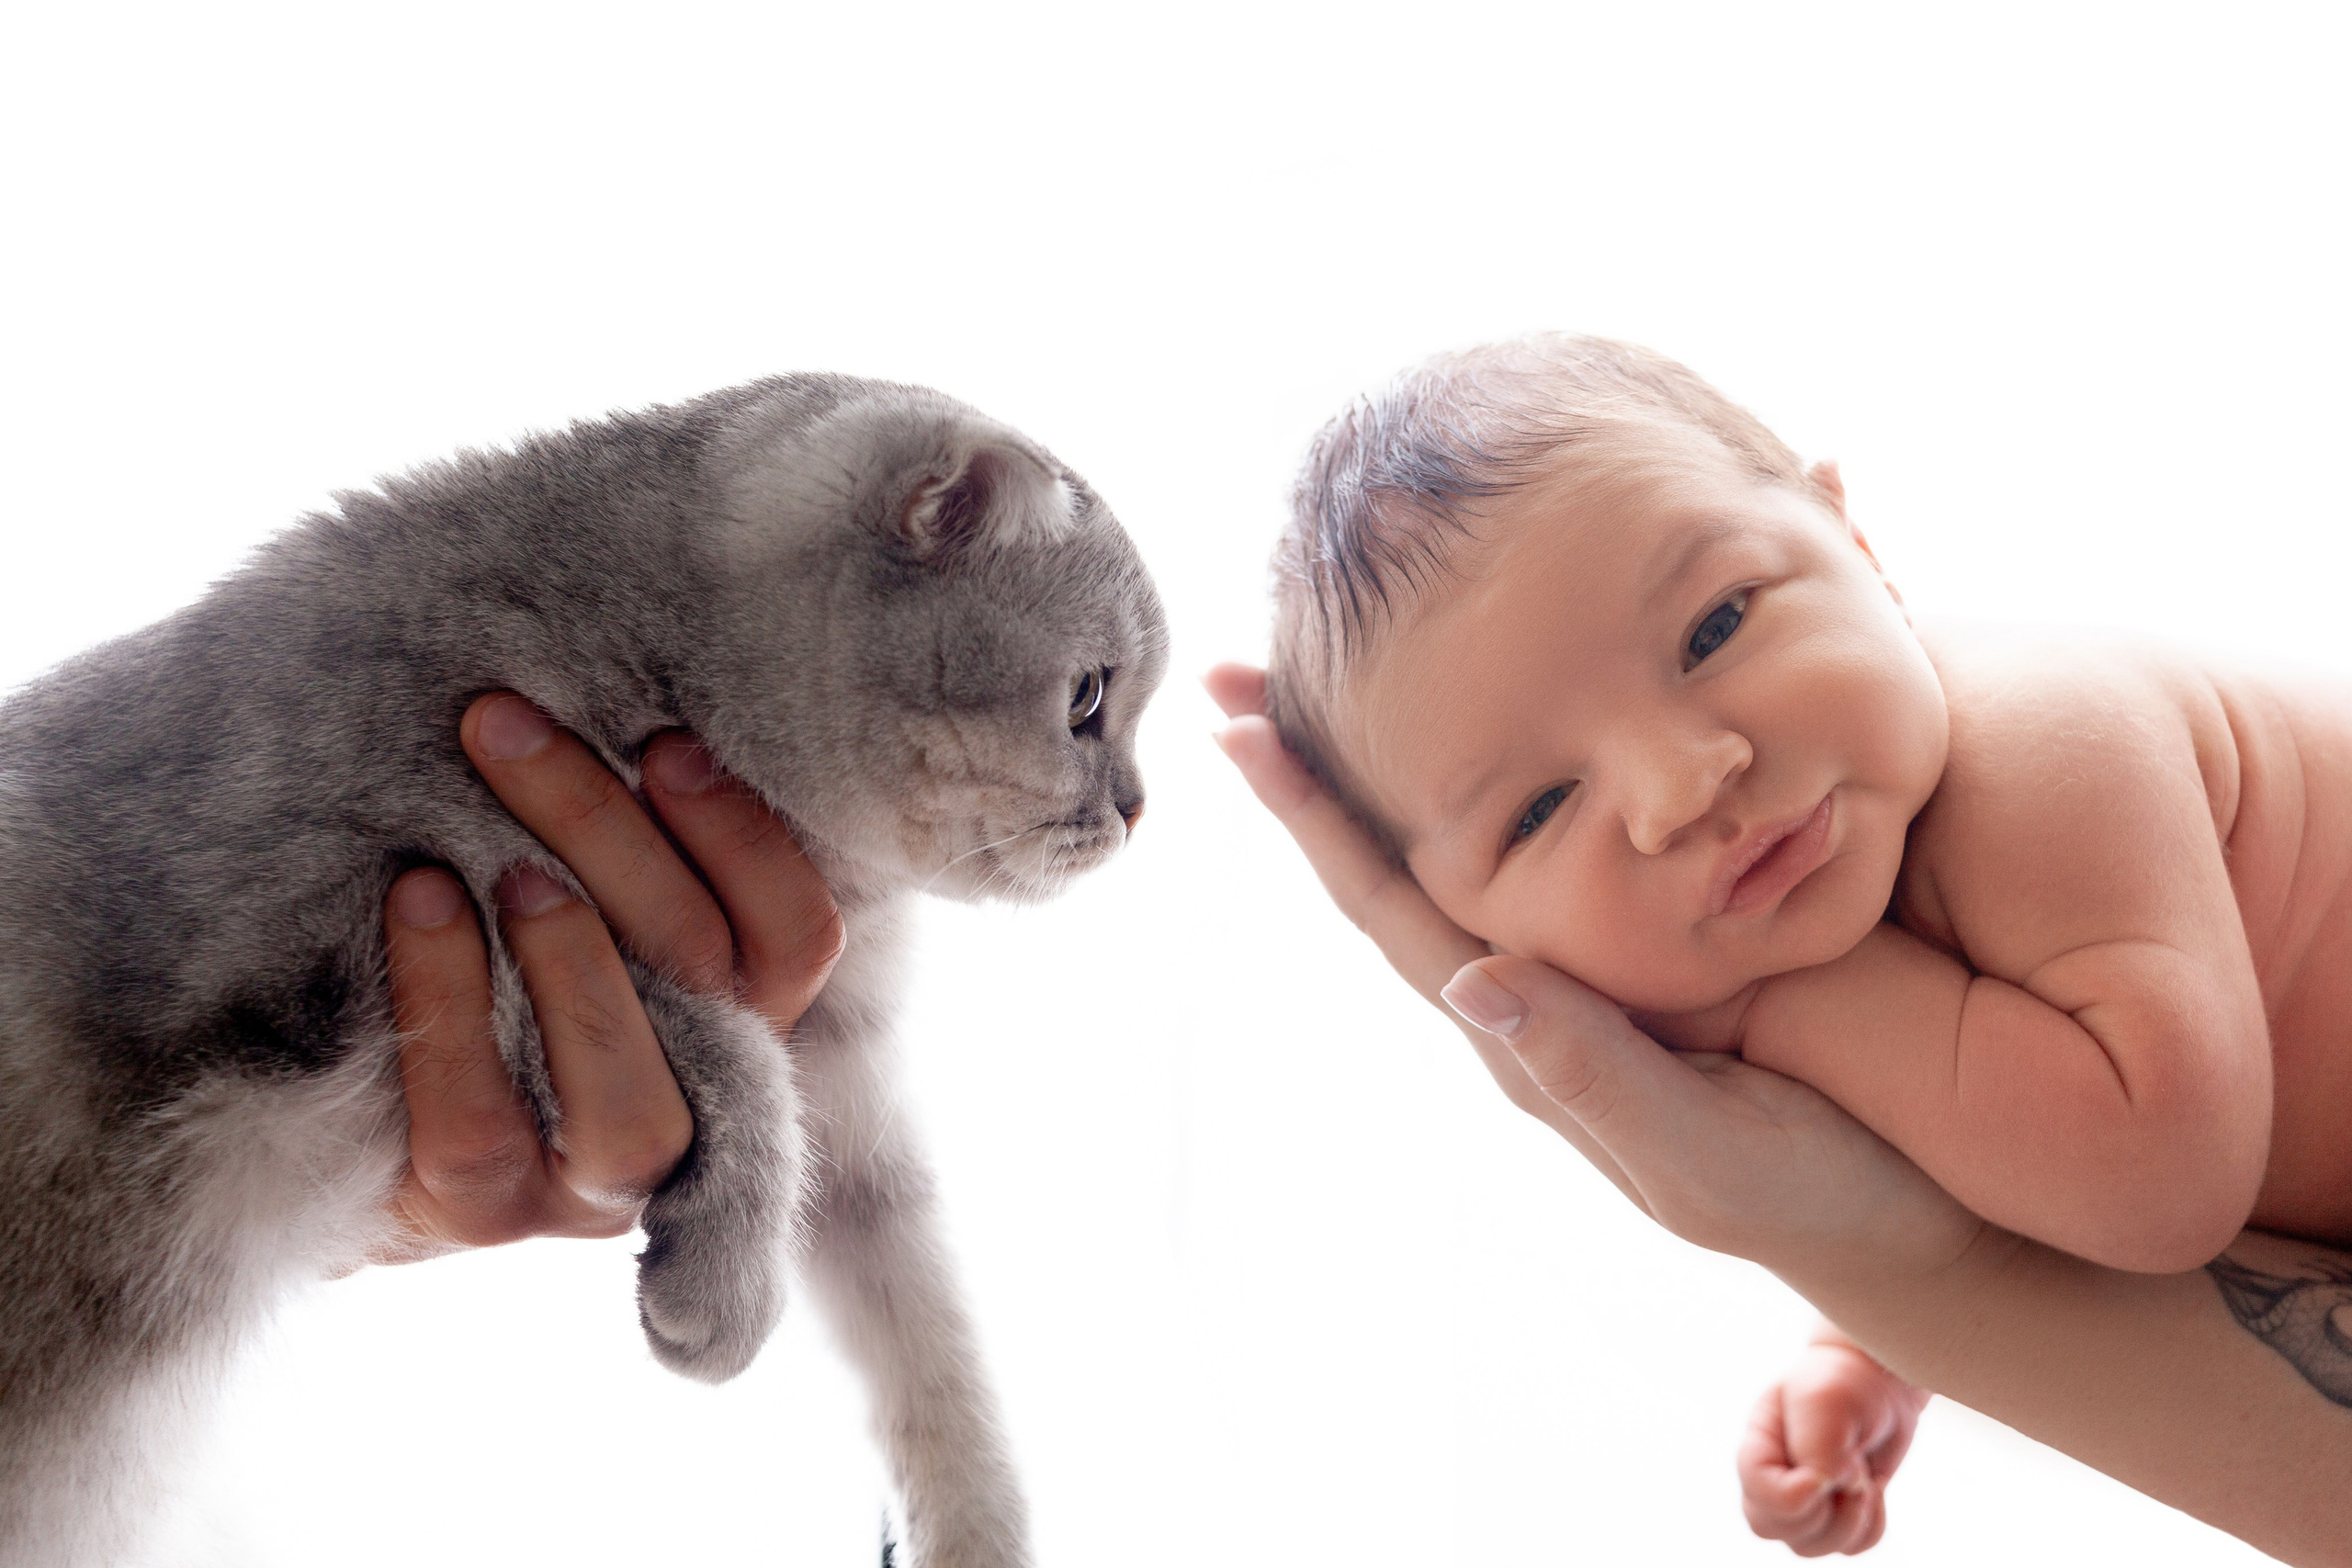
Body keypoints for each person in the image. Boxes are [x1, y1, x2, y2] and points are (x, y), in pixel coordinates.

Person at [1224, 332, 2352, 1557]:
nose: (1680, 787)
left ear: (1859, 547)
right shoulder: (1819, 884)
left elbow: (2157, 1180)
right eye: (1540, 812)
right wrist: (1870, 1339)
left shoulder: (2046, 745)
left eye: (1715, 628)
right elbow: (2007, 1125)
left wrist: (1767, 1025)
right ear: (1473, 924)